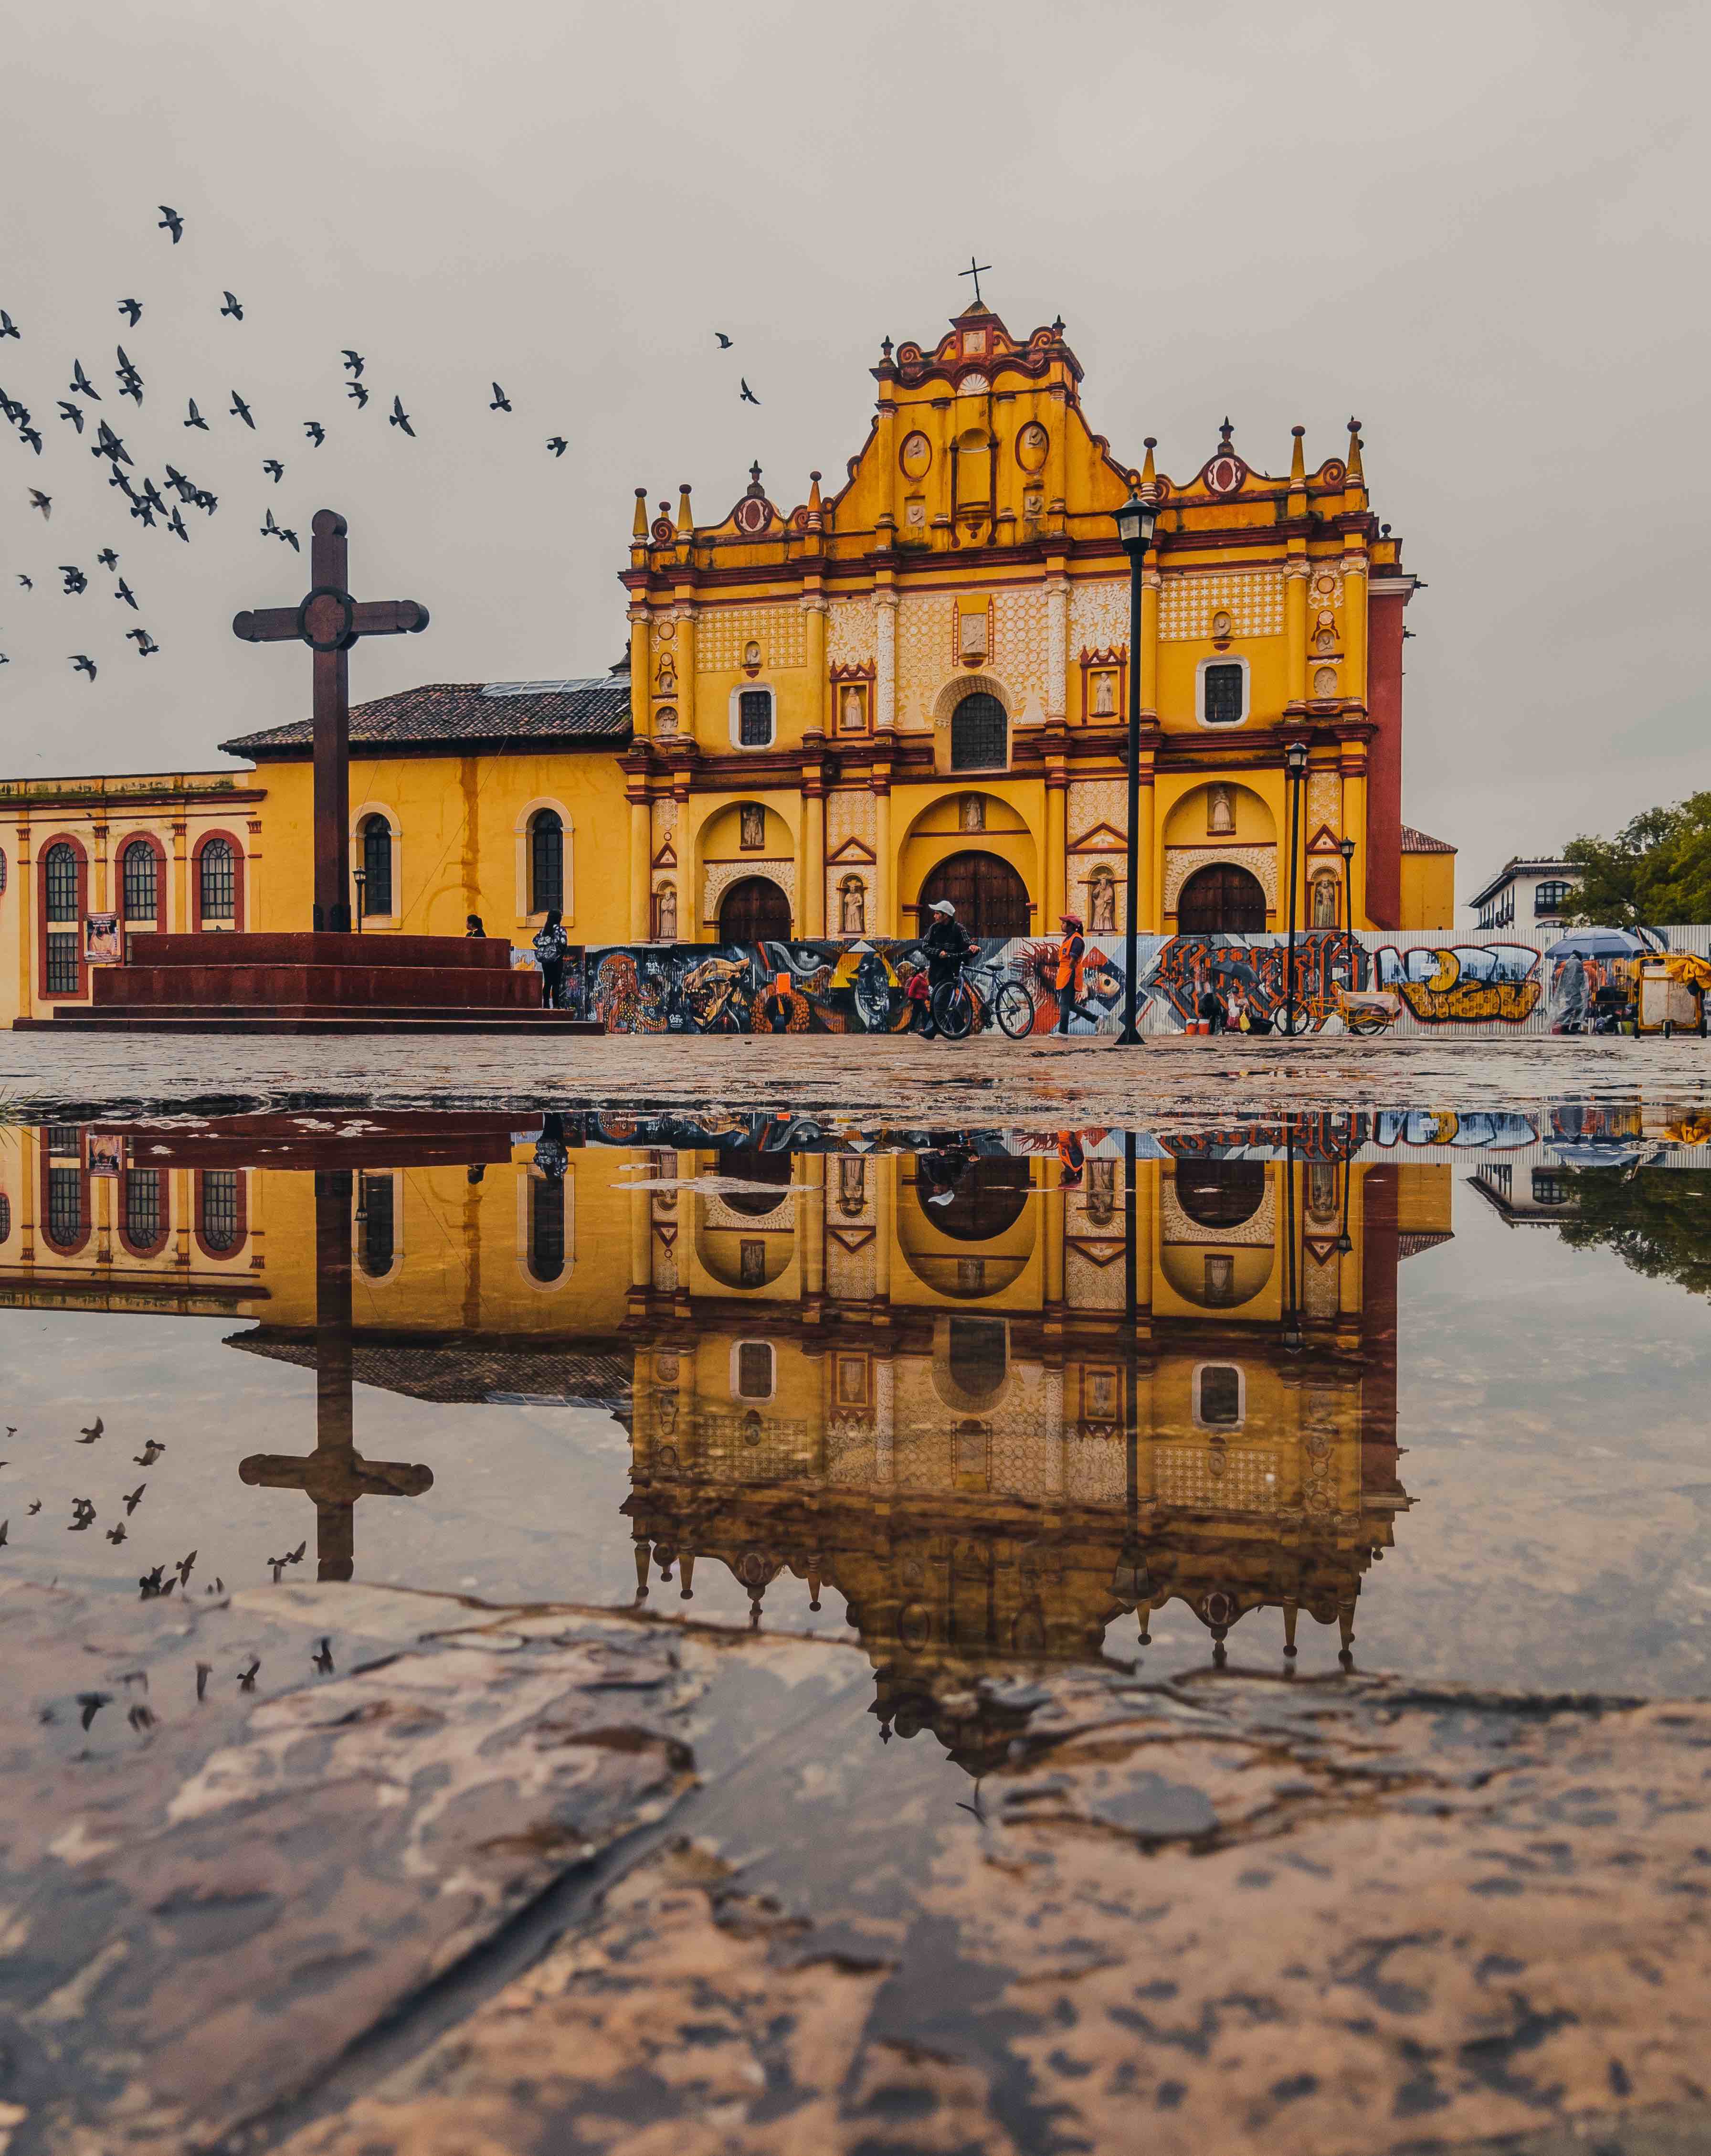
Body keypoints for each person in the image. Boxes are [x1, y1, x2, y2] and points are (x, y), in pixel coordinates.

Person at [1055, 913, 1100, 1035]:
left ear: (1071, 926)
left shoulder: (1077, 940)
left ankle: (1063, 1032)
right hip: (1066, 972)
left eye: (1064, 923)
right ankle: (1095, 1019)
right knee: (1070, 1004)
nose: (1062, 925)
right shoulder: (1069, 938)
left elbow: (1073, 959)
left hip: (1070, 973)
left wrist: (1068, 970)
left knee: (1064, 1002)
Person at [533, 907, 569, 1009]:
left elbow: (535, 941)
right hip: (556, 959)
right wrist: (559, 952)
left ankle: (546, 1005)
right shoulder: (560, 929)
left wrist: (545, 950)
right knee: (556, 982)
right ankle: (556, 1005)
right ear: (559, 919)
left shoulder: (544, 930)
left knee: (548, 982)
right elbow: (563, 943)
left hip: (546, 960)